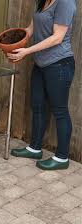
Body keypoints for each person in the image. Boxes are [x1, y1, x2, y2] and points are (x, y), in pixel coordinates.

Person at [8, 0, 77, 170]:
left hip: (59, 64)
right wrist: (17, 40)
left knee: (59, 111)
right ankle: (35, 148)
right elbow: (31, 28)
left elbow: (57, 37)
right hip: (40, 63)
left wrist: (27, 51)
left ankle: (62, 158)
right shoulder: (42, 0)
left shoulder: (65, 2)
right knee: (37, 106)